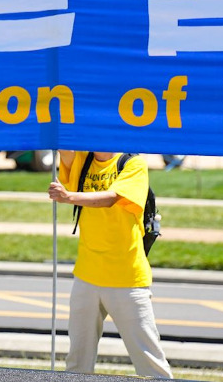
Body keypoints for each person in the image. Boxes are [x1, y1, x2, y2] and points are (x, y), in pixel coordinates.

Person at [48, 150, 171, 378]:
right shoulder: (83, 161)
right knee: (77, 361)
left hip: (126, 278)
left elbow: (112, 197)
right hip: (87, 276)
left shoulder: (132, 164)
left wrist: (69, 197)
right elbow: (64, 143)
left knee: (149, 361)